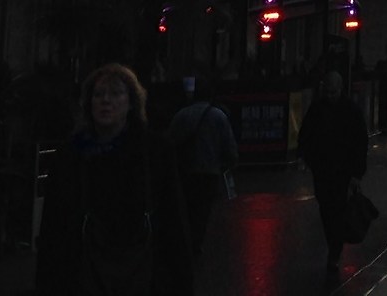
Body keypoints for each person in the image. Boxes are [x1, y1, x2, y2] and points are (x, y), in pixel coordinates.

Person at [38, 63, 192, 296]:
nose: (105, 101)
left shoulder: (154, 151)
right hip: (82, 271)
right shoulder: (71, 154)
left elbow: (172, 217)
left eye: (116, 93)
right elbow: (54, 223)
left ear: (131, 102)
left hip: (142, 271)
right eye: (98, 94)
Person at [295, 71, 370, 281]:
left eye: (333, 91)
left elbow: (359, 142)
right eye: (328, 91)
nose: (330, 95)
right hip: (326, 168)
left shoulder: (329, 110)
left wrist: (356, 173)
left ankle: (334, 249)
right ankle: (334, 246)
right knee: (328, 208)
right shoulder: (343, 110)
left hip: (336, 170)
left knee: (332, 209)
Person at [164, 74, 239, 272]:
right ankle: (195, 244)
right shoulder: (218, 116)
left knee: (187, 208)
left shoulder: (182, 115)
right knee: (202, 211)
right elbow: (229, 145)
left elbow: (169, 142)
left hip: (186, 171)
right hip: (210, 172)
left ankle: (186, 242)